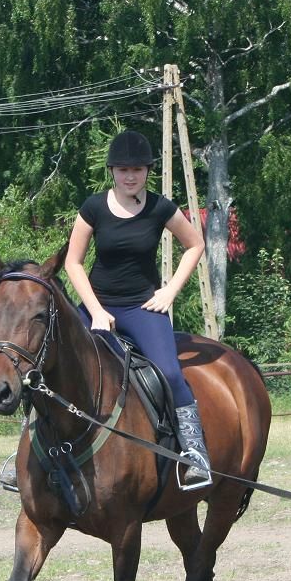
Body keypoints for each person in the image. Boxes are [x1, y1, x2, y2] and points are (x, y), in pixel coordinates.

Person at [62, 129, 212, 487]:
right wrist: (96, 311)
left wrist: (169, 291)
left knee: (171, 373)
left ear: (148, 171)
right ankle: (26, 449)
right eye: (123, 170)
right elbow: (72, 263)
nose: (130, 176)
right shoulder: (93, 208)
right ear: (112, 171)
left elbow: (195, 244)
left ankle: (195, 453)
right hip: (97, 306)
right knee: (52, 360)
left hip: (143, 308)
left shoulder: (161, 208)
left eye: (137, 170)